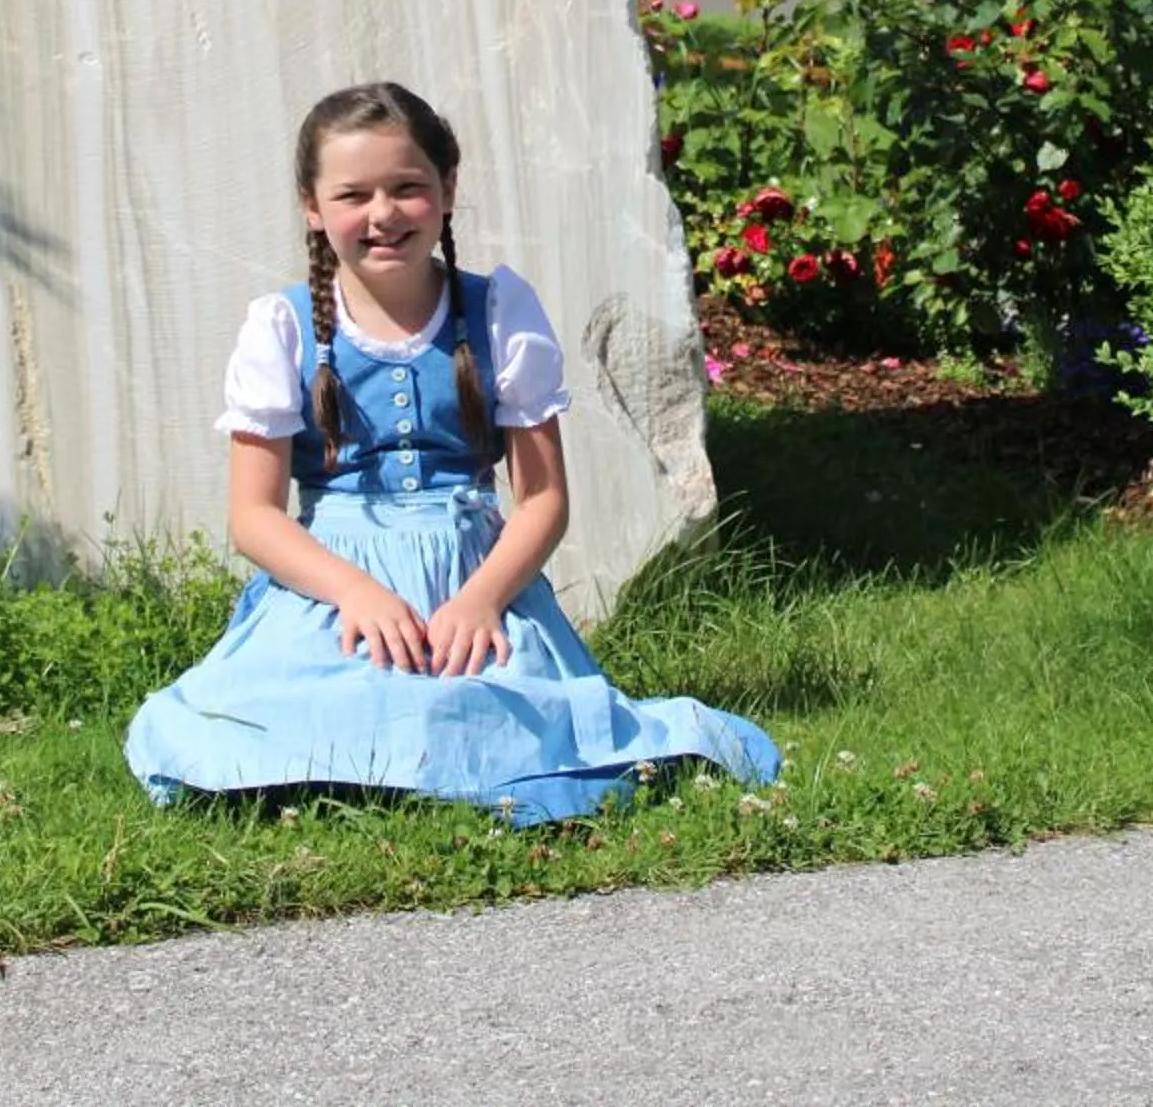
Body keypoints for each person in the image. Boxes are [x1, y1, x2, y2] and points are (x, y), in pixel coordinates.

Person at [124, 80, 780, 823]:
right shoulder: (280, 327)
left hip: (471, 575)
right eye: (352, 195)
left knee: (489, 707)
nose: (381, 214)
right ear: (311, 206)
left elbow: (542, 499)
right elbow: (254, 517)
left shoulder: (498, 310)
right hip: (333, 588)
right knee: (290, 708)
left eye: (407, 188)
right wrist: (357, 594)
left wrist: (480, 600)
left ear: (447, 190)